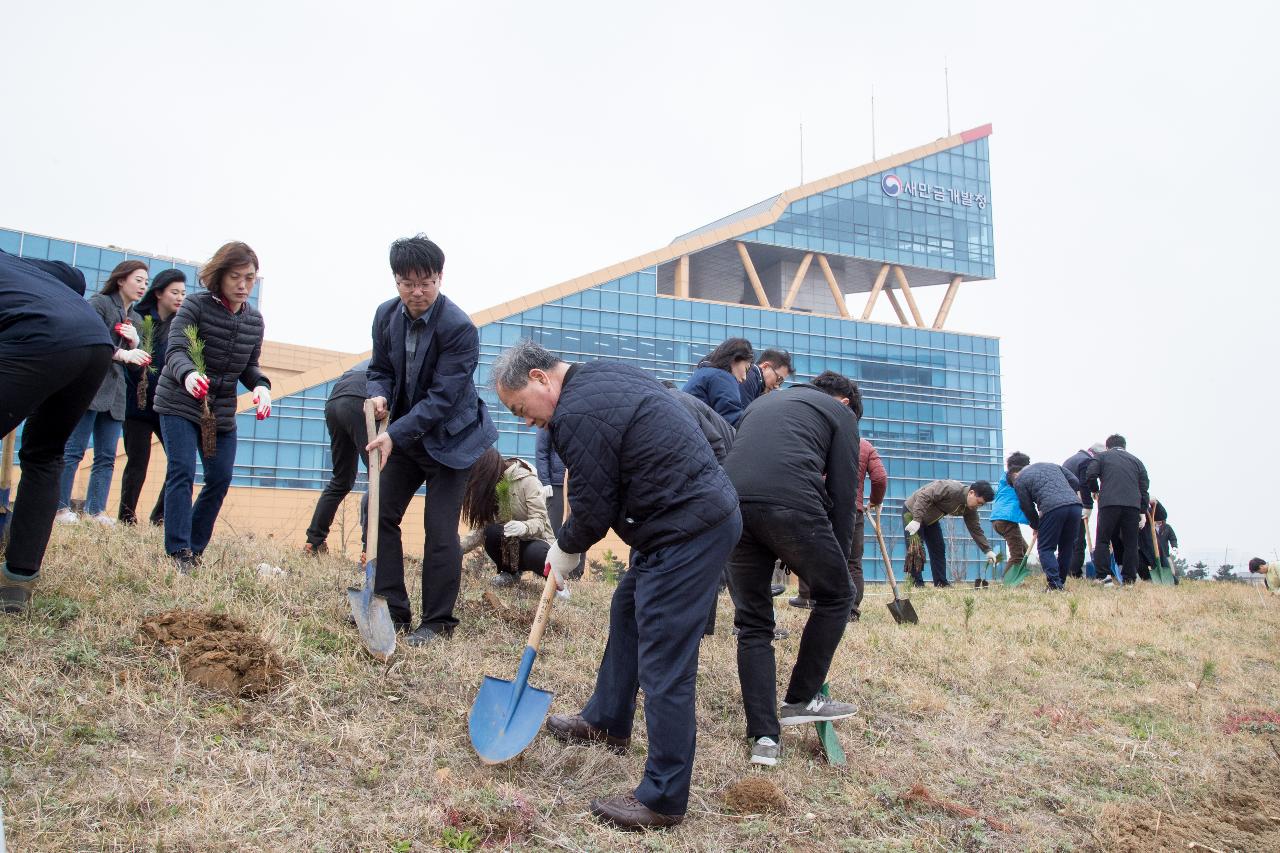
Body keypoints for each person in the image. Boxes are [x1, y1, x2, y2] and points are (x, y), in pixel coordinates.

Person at [493, 338, 740, 831]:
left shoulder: (575, 412)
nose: (525, 420)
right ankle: (607, 720)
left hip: (689, 528)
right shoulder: (602, 375)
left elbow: (593, 501)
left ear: (541, 378)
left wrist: (564, 548)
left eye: (521, 408)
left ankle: (663, 798)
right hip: (673, 522)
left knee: (665, 661)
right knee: (627, 610)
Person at [724, 370, 862, 768]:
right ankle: (801, 698)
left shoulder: (760, 403)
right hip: (792, 505)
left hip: (732, 505)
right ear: (847, 403)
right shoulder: (841, 415)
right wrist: (829, 557)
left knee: (753, 624)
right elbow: (841, 490)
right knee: (837, 595)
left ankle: (765, 738)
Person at [365, 235, 497, 648]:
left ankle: (438, 621)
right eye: (407, 283)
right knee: (377, 507)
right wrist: (379, 392)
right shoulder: (386, 316)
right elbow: (379, 368)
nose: (417, 292)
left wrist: (393, 433)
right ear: (396, 281)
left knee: (439, 530)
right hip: (405, 435)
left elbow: (442, 399)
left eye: (425, 282)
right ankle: (393, 608)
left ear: (440, 278)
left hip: (451, 441)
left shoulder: (458, 328)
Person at [0, 252, 112, 613]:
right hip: (94, 341)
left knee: (45, 454)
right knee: (45, 455)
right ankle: (17, 583)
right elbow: (74, 276)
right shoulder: (16, 263)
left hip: (37, 337)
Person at [154, 241, 271, 575]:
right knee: (182, 470)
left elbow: (250, 366)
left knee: (219, 477)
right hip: (179, 401)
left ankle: (194, 548)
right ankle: (177, 550)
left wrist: (261, 386)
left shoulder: (254, 320)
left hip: (219, 411)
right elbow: (176, 350)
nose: (243, 285)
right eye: (235, 277)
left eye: (249, 278)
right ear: (219, 276)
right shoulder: (195, 306)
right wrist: (189, 375)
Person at [54, 260, 151, 526]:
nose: (143, 286)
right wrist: (122, 352)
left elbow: (137, 366)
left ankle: (96, 511)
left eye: (146, 281)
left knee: (107, 456)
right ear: (121, 279)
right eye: (138, 279)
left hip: (117, 392)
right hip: (91, 386)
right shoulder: (99, 304)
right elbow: (90, 341)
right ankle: (60, 508)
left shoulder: (138, 320)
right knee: (74, 449)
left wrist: (136, 342)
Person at [790, 433, 884, 621]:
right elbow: (880, 478)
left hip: (821, 505)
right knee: (852, 562)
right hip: (852, 509)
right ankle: (851, 611)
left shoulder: (824, 440)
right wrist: (874, 501)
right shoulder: (865, 446)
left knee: (813, 553)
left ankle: (809, 597)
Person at [118, 269, 186, 525]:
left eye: (183, 293)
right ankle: (126, 517)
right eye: (174, 292)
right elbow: (131, 360)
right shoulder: (139, 319)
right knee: (137, 463)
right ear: (158, 293)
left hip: (166, 405)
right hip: (137, 405)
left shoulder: (181, 327)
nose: (180, 298)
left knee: (180, 462)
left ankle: (160, 516)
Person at [458, 447, 556, 588]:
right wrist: (458, 549)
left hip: (535, 541)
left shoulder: (527, 481)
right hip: (511, 544)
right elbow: (481, 529)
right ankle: (510, 573)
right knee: (490, 532)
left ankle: (556, 583)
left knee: (537, 554)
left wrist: (524, 527)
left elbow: (540, 521)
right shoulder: (492, 488)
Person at [304, 359, 371, 557]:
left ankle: (314, 542)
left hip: (334, 401)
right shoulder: (399, 354)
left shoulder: (372, 357)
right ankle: (370, 549)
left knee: (341, 479)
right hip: (361, 399)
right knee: (380, 480)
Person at [903, 480, 998, 587]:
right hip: (912, 512)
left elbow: (975, 529)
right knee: (916, 549)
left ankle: (941, 583)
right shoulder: (950, 488)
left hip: (930, 519)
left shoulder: (970, 508)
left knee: (938, 548)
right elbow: (924, 495)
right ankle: (917, 583)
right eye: (979, 502)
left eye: (981, 505)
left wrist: (987, 550)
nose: (978, 506)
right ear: (971, 493)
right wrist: (916, 520)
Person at [1083, 434, 1150, 585]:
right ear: (1125, 447)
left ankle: (1104, 577)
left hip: (1109, 503)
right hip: (1132, 506)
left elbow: (1090, 474)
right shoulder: (1137, 461)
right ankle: (1129, 580)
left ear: (1107, 447)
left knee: (1103, 539)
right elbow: (1144, 488)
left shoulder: (1102, 457)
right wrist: (1142, 510)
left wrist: (1095, 490)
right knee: (1131, 543)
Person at [1007, 461, 1082, 591]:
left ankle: (1054, 584)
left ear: (1014, 477)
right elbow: (1075, 481)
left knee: (1046, 548)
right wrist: (1066, 494)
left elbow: (1027, 507)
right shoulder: (1051, 465)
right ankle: (1060, 583)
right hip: (1075, 506)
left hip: (1052, 508)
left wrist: (1036, 525)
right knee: (1067, 547)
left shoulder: (1019, 481)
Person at [681, 337, 753, 427]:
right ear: (735, 358)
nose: (745, 378)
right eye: (746, 369)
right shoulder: (722, 377)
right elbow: (733, 421)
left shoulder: (704, 372)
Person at [1062, 442, 1106, 577]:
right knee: (1079, 540)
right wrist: (1087, 506)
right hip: (1076, 503)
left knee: (1068, 539)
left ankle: (1067, 570)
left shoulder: (1072, 459)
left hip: (1063, 503)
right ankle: (1075, 572)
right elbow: (1084, 483)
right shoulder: (1087, 461)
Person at [988, 451, 1032, 585]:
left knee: (1024, 549)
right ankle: (1008, 583)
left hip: (1000, 519)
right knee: (1017, 554)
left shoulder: (1005, 477)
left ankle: (1017, 579)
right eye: (1027, 465)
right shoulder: (1014, 477)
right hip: (1005, 520)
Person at [1136, 499, 1179, 582]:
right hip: (1136, 545)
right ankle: (1148, 580)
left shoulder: (1146, 509)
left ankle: (1171, 580)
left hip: (1151, 543)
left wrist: (1156, 503)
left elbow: (1162, 515)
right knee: (1140, 564)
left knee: (1162, 564)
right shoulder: (1128, 509)